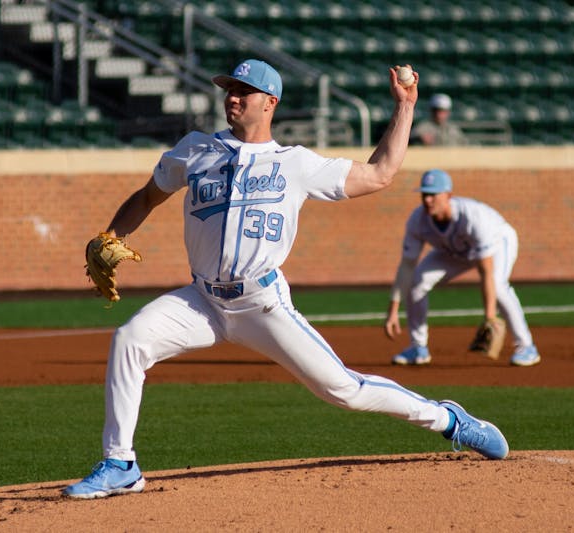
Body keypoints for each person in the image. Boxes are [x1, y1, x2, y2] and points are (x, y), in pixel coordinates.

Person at [63, 59, 509, 499]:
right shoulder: (195, 149)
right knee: (130, 339)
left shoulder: (295, 163)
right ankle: (121, 463)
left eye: (243, 91)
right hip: (202, 300)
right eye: (228, 90)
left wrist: (405, 107)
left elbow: (379, 174)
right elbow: (146, 197)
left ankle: (448, 420)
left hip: (262, 305)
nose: (232, 98)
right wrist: (110, 235)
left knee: (343, 390)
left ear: (270, 102)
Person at [384, 169, 541, 367]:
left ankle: (527, 347)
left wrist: (490, 317)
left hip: (498, 241)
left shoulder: (473, 218)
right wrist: (393, 309)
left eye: (433, 194)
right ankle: (418, 348)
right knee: (418, 280)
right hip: (455, 250)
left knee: (499, 286)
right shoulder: (418, 220)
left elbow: (486, 271)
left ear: (448, 195)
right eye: (425, 194)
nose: (428, 200)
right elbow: (407, 266)